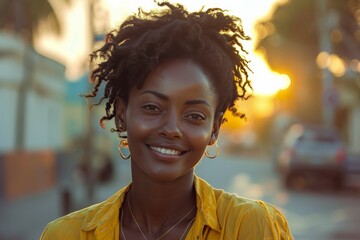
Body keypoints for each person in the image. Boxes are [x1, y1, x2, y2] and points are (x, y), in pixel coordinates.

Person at [41, 1, 293, 239]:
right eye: (152, 107)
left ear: (214, 129)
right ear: (121, 115)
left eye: (194, 116)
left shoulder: (251, 227)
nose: (172, 129)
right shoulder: (65, 235)